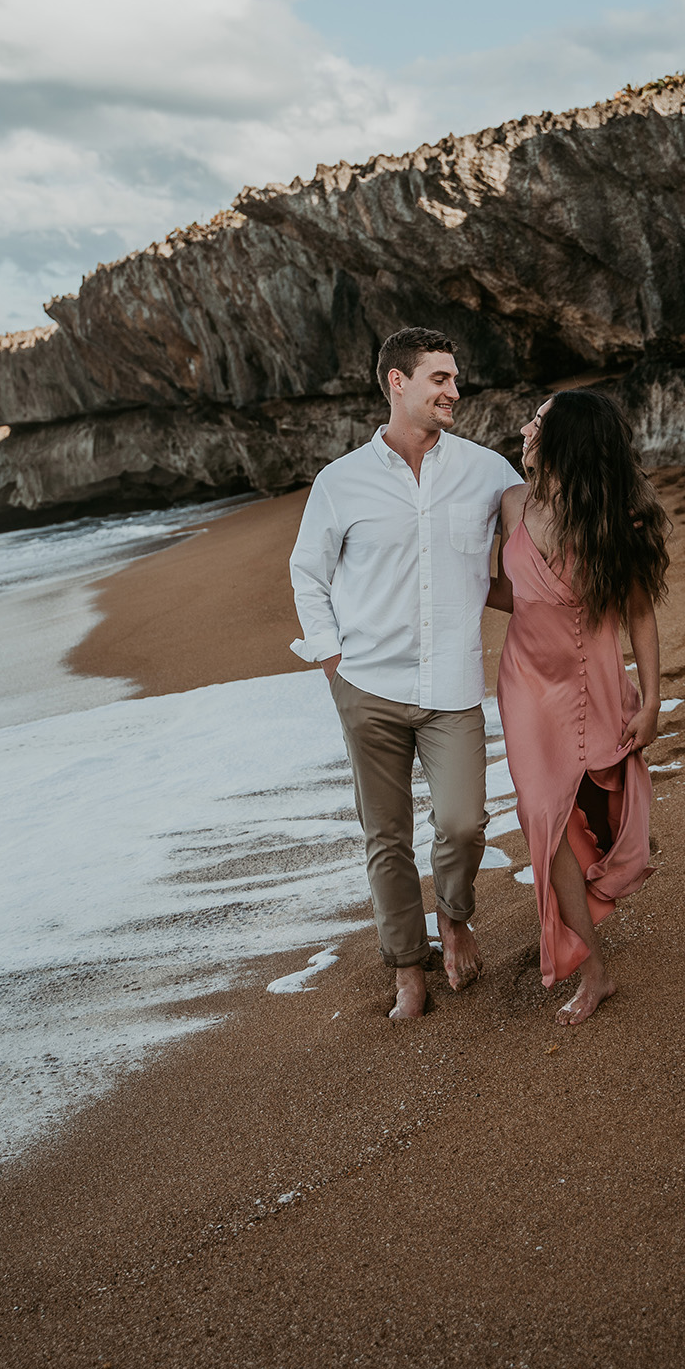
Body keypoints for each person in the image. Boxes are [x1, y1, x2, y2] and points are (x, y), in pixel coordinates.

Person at [289, 327, 522, 1020]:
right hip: (366, 686)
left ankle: (454, 916)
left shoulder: (490, 472)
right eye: (440, 379)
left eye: (454, 378)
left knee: (463, 822)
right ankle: (406, 970)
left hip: (452, 688)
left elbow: (539, 547)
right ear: (398, 382)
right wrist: (333, 663)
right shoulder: (340, 483)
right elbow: (308, 575)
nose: (455, 391)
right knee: (384, 838)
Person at [487, 389, 669, 1026]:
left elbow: (640, 613)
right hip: (526, 687)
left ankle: (589, 906)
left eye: (538, 420)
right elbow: (509, 595)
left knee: (600, 804)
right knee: (545, 818)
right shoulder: (513, 505)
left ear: (565, 439)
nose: (525, 426)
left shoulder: (613, 520)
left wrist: (650, 698)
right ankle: (592, 972)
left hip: (592, 683)